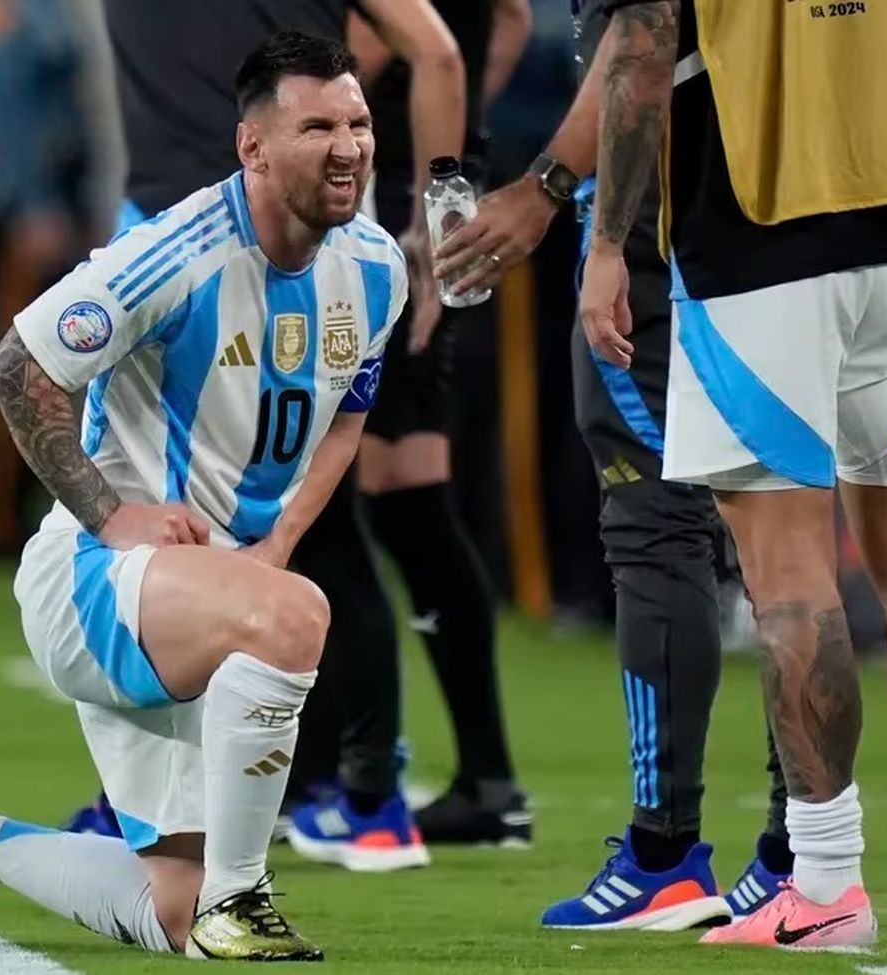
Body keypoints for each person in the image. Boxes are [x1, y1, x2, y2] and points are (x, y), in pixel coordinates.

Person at [0, 32, 409, 961]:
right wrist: (115, 518)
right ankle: (247, 897)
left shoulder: (375, 267)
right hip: (98, 582)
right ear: (253, 147)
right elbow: (17, 367)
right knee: (298, 620)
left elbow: (348, 417)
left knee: (170, 910)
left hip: (212, 602)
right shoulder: (177, 250)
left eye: (357, 122)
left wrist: (271, 549)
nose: (349, 146)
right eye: (317, 125)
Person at [577, 0, 887, 949]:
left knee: (790, 575)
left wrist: (608, 244)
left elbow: (641, 51)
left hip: (752, 246)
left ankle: (827, 881)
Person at [61, 0, 469, 868]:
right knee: (191, 501)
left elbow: (439, 48)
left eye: (349, 122)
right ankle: (197, 796)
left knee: (301, 508)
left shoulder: (362, 252)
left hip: (263, 228)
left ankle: (357, 785)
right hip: (186, 226)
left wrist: (439, 218)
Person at [434, 0, 791, 928]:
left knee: (657, 529)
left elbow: (643, 43)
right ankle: (813, 850)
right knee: (797, 535)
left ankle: (665, 849)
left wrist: (551, 193)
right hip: (828, 225)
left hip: (668, 228)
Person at [287, 0, 536, 864]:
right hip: (431, 188)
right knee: (406, 489)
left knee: (355, 487)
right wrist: (459, 139)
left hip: (384, 204)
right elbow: (505, 18)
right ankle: (485, 780)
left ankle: (347, 773)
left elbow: (352, 57)